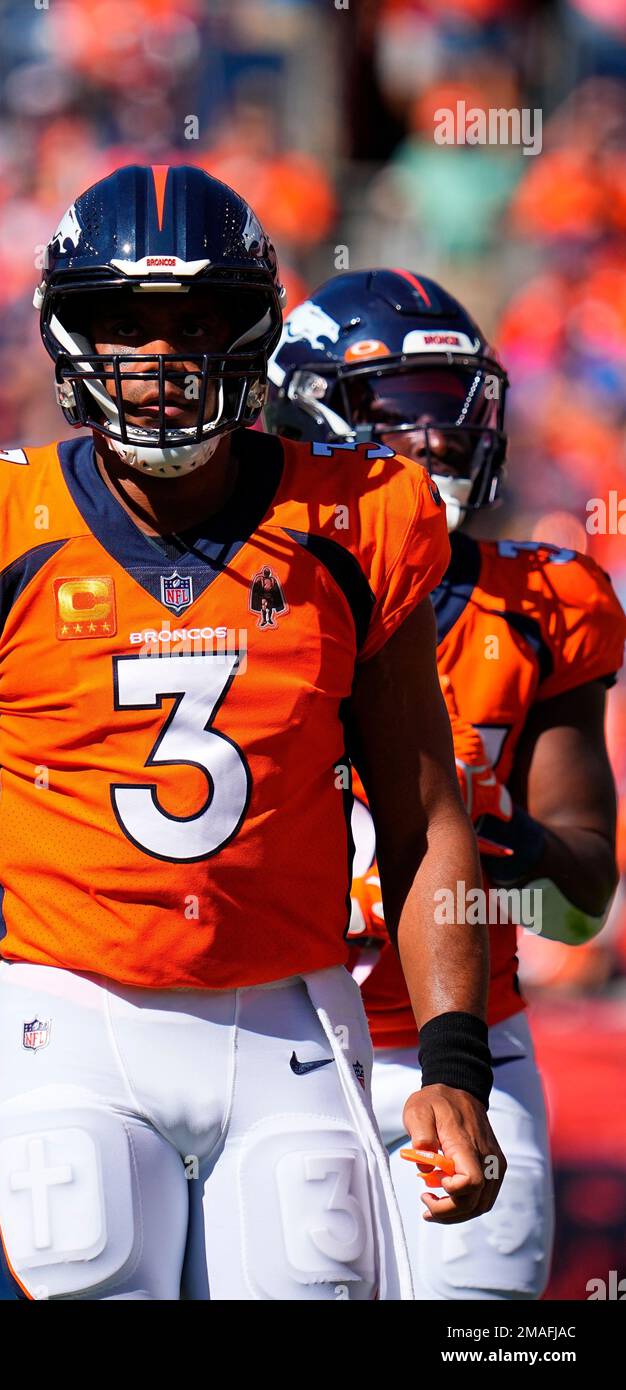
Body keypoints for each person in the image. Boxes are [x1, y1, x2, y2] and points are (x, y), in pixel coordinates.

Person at [0, 172, 503, 1303]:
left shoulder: (354, 520)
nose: (158, 361)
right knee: (93, 1277)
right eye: (122, 325)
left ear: (251, 335)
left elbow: (423, 821)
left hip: (290, 1013)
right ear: (66, 336)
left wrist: (452, 1058)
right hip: (72, 1013)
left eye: (193, 324)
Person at [265, 266, 626, 1299]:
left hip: (470, 1046)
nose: (439, 441)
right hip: (270, 1038)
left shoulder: (540, 604)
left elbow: (577, 900)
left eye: (456, 410)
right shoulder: (242, 587)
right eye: (406, 413)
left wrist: (490, 858)